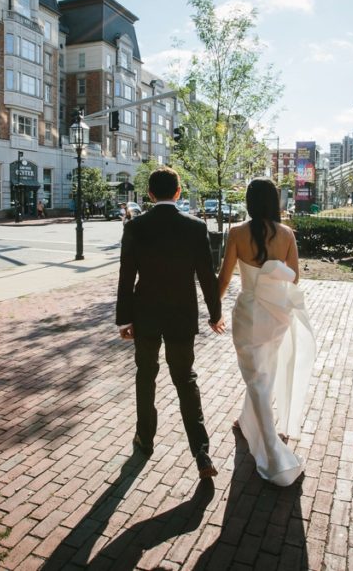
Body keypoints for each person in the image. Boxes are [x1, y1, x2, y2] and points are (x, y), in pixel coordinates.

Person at [115, 166, 224, 479]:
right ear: (178, 193)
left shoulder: (136, 226)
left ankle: (145, 439)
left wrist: (124, 319)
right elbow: (207, 276)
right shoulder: (195, 226)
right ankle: (201, 453)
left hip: (145, 313)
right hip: (181, 314)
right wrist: (215, 313)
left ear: (150, 194)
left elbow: (126, 276)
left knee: (146, 375)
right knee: (185, 380)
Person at [216, 177, 316, 486]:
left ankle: (273, 451)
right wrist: (273, 273)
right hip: (276, 315)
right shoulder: (286, 234)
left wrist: (214, 310)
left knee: (256, 377)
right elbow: (295, 277)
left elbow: (225, 276)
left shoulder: (236, 233)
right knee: (263, 374)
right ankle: (248, 422)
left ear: (248, 201)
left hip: (248, 313)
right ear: (274, 201)